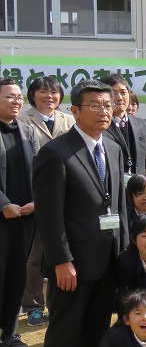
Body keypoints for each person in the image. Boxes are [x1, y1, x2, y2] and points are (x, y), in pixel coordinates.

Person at [34, 80, 129, 347]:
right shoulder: (55, 153)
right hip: (71, 264)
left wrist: (124, 253)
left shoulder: (115, 148)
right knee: (65, 330)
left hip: (108, 259)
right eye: (95, 105)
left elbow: (118, 206)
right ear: (74, 110)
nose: (105, 110)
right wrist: (61, 260)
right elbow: (49, 215)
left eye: (108, 104)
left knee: (96, 327)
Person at [18, 76, 75, 325]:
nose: (49, 96)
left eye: (54, 92)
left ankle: (58, 302)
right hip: (32, 200)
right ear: (32, 95)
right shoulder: (21, 121)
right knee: (35, 256)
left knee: (64, 253)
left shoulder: (70, 120)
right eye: (43, 91)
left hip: (69, 199)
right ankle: (33, 306)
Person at [0, 78, 38, 347]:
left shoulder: (27, 131)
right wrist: (3, 204)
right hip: (2, 216)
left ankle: (10, 333)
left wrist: (37, 201)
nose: (16, 101)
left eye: (19, 96)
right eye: (10, 96)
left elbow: (39, 170)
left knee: (16, 275)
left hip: (25, 217)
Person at [98, 73, 146, 176]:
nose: (119, 98)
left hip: (139, 188)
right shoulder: (99, 126)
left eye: (123, 92)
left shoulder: (143, 125)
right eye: (114, 93)